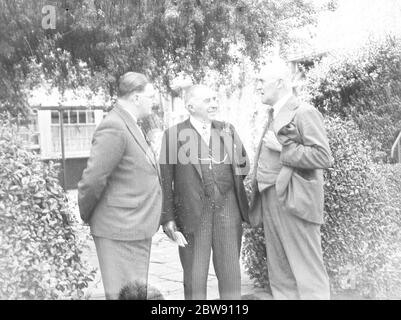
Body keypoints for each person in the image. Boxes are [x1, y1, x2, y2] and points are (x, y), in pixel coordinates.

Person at [249, 60, 334, 300]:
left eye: (261, 81)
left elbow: (323, 156)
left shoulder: (304, 111)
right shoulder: (272, 113)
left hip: (294, 200)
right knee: (280, 273)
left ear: (279, 83)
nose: (258, 86)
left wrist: (284, 149)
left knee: (308, 273)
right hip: (271, 198)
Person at [159, 85, 250, 300]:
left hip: (228, 211)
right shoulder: (173, 135)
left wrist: (223, 185)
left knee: (231, 277)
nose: (214, 104)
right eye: (208, 100)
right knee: (194, 280)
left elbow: (244, 166)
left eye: (215, 99)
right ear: (190, 106)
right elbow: (166, 181)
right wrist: (168, 219)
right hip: (192, 215)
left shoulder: (227, 129)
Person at [78, 72, 162, 300]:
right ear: (136, 98)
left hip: (132, 227)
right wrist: (87, 214)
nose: (153, 101)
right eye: (150, 96)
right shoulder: (114, 126)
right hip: (120, 229)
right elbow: (93, 179)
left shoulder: (129, 123)